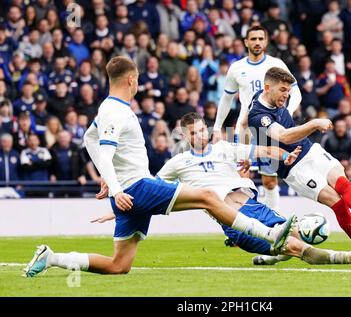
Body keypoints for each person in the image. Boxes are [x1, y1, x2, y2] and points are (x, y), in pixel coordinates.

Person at [23, 56, 296, 278]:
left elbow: (88, 140)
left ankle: (52, 258)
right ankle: (269, 233)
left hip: (129, 196)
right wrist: (115, 188)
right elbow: (105, 154)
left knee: (119, 265)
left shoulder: (109, 108)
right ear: (132, 80)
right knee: (207, 197)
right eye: (138, 79)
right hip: (137, 188)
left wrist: (110, 182)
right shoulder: (116, 111)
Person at [93, 112, 351, 266]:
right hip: (235, 220)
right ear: (184, 136)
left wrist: (282, 156)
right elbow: (151, 188)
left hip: (257, 207)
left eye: (202, 130)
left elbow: (257, 148)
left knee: (298, 236)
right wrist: (117, 208)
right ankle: (348, 258)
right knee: (297, 246)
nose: (199, 135)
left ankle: (272, 256)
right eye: (193, 133)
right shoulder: (178, 162)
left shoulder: (224, 148)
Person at [247, 67, 351, 265]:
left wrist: (292, 98)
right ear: (267, 88)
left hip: (310, 150)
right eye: (283, 90)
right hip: (294, 168)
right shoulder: (259, 116)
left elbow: (294, 92)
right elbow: (283, 135)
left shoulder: (268, 95)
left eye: (288, 90)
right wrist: (314, 123)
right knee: (336, 201)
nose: (287, 94)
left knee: (340, 177)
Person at [213, 25, 302, 213]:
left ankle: (274, 223)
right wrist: (216, 127)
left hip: (269, 127)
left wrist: (288, 113)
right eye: (253, 39)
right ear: (246, 42)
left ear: (266, 41)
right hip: (245, 129)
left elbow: (297, 92)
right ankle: (241, 228)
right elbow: (226, 98)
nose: (257, 42)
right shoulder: (237, 68)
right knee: (241, 178)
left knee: (269, 181)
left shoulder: (276, 64)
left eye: (261, 39)